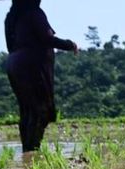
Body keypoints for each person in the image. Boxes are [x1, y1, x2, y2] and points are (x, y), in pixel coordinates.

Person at [5, 0, 78, 152]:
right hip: (32, 65)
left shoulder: (11, 17)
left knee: (26, 110)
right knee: (40, 110)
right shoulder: (35, 13)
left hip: (14, 63)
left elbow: (9, 46)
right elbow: (47, 39)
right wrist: (70, 44)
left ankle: (27, 151)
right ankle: (32, 152)